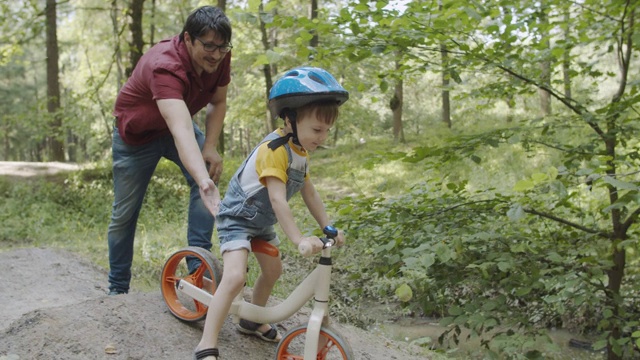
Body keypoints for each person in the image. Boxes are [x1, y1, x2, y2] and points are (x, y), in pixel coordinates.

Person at [193, 66, 349, 360]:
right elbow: (278, 201)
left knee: (273, 270)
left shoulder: (300, 152)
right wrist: (299, 238)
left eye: (327, 130)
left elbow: (309, 192)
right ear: (290, 119)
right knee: (236, 276)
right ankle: (206, 342)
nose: (322, 136)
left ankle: (250, 320)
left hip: (261, 223)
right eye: (317, 129)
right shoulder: (274, 149)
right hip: (238, 219)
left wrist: (328, 227)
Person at [107, 6, 232, 296]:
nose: (215, 54)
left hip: (177, 125)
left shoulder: (219, 56)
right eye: (209, 46)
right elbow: (182, 131)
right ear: (188, 39)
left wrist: (210, 147)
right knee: (125, 213)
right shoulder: (164, 65)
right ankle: (117, 290)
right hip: (136, 137)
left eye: (222, 47)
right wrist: (202, 180)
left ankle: (197, 270)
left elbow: (219, 101)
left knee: (209, 175)